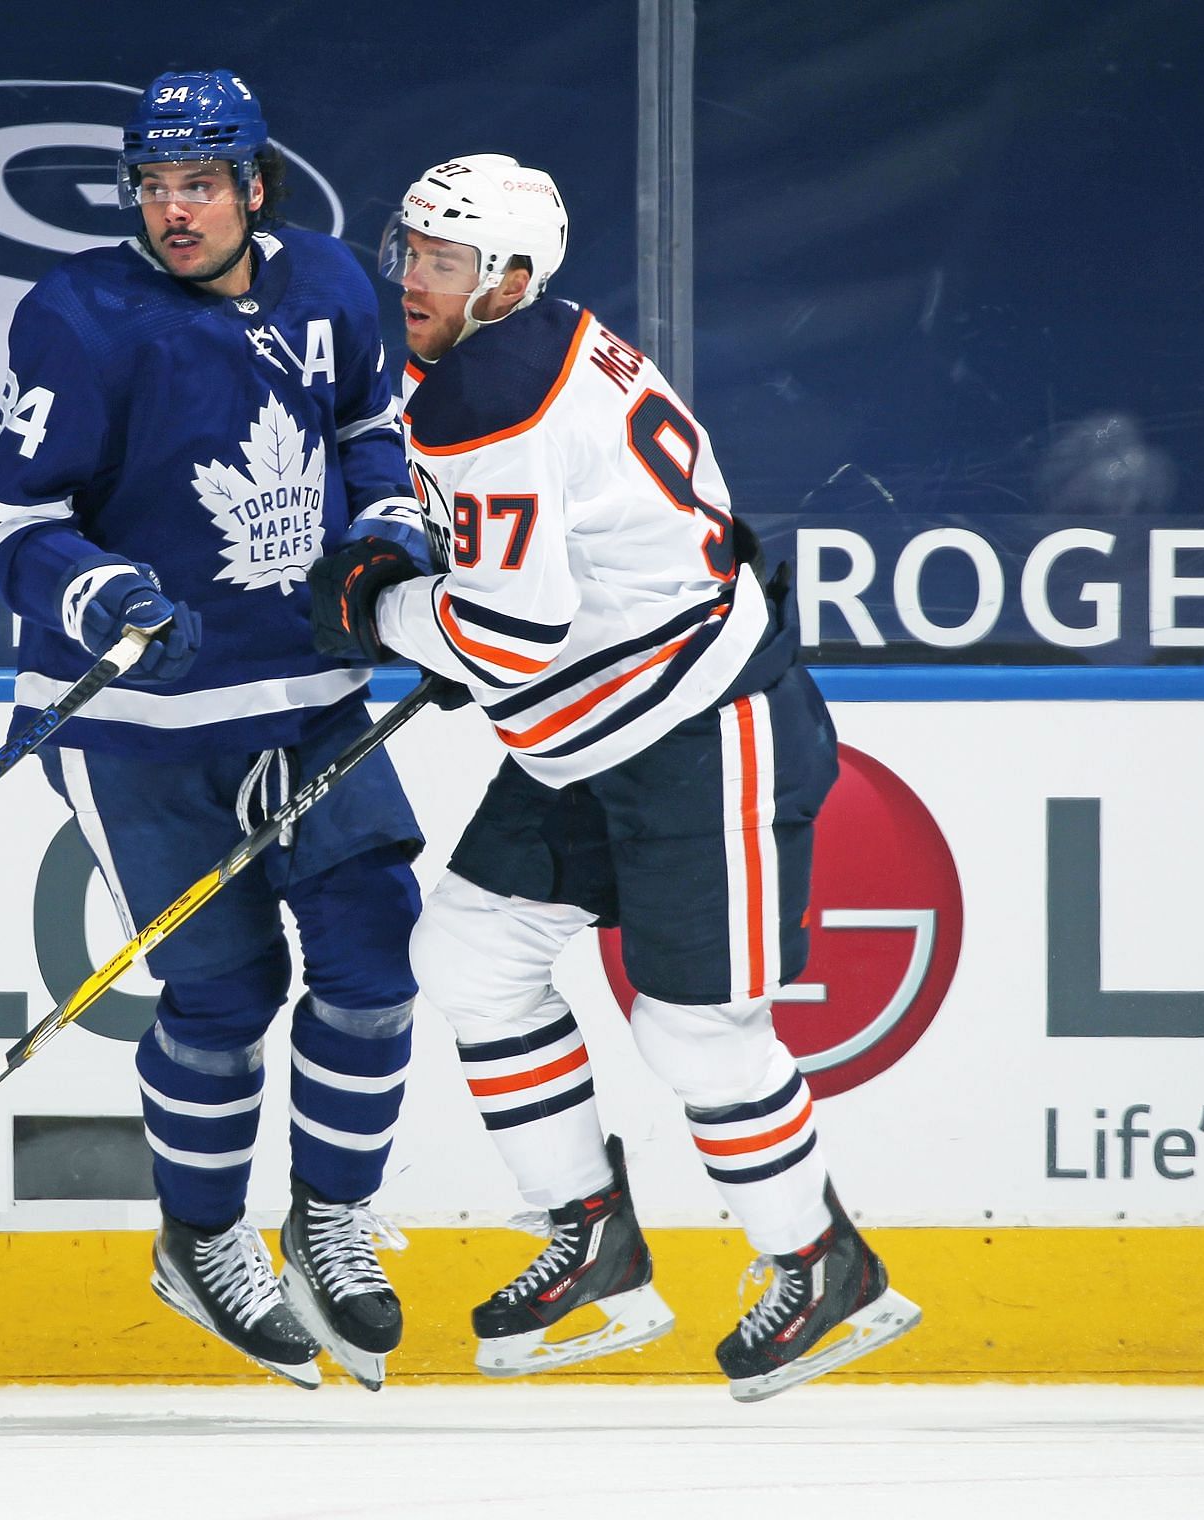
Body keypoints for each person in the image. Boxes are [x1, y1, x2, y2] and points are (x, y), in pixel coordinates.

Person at [307, 154, 921, 1402]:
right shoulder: (527, 346)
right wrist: (460, 596)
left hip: (703, 730)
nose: (412, 279)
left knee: (694, 1029)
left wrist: (380, 608)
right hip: (595, 726)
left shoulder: (488, 390)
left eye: (443, 261)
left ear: (511, 280)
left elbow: (509, 637)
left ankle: (823, 1259)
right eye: (410, 250)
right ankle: (591, 1236)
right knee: (475, 950)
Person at [0, 70, 430, 1391]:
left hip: (304, 690)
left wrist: (393, 526)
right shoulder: (81, 319)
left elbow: (369, 434)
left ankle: (332, 1219)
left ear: (254, 187)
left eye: (201, 183)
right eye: (155, 185)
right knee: (225, 995)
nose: (175, 211)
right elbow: (12, 529)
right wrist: (100, 589)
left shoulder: (335, 284)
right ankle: (204, 1238)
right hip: (139, 719)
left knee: (373, 960)